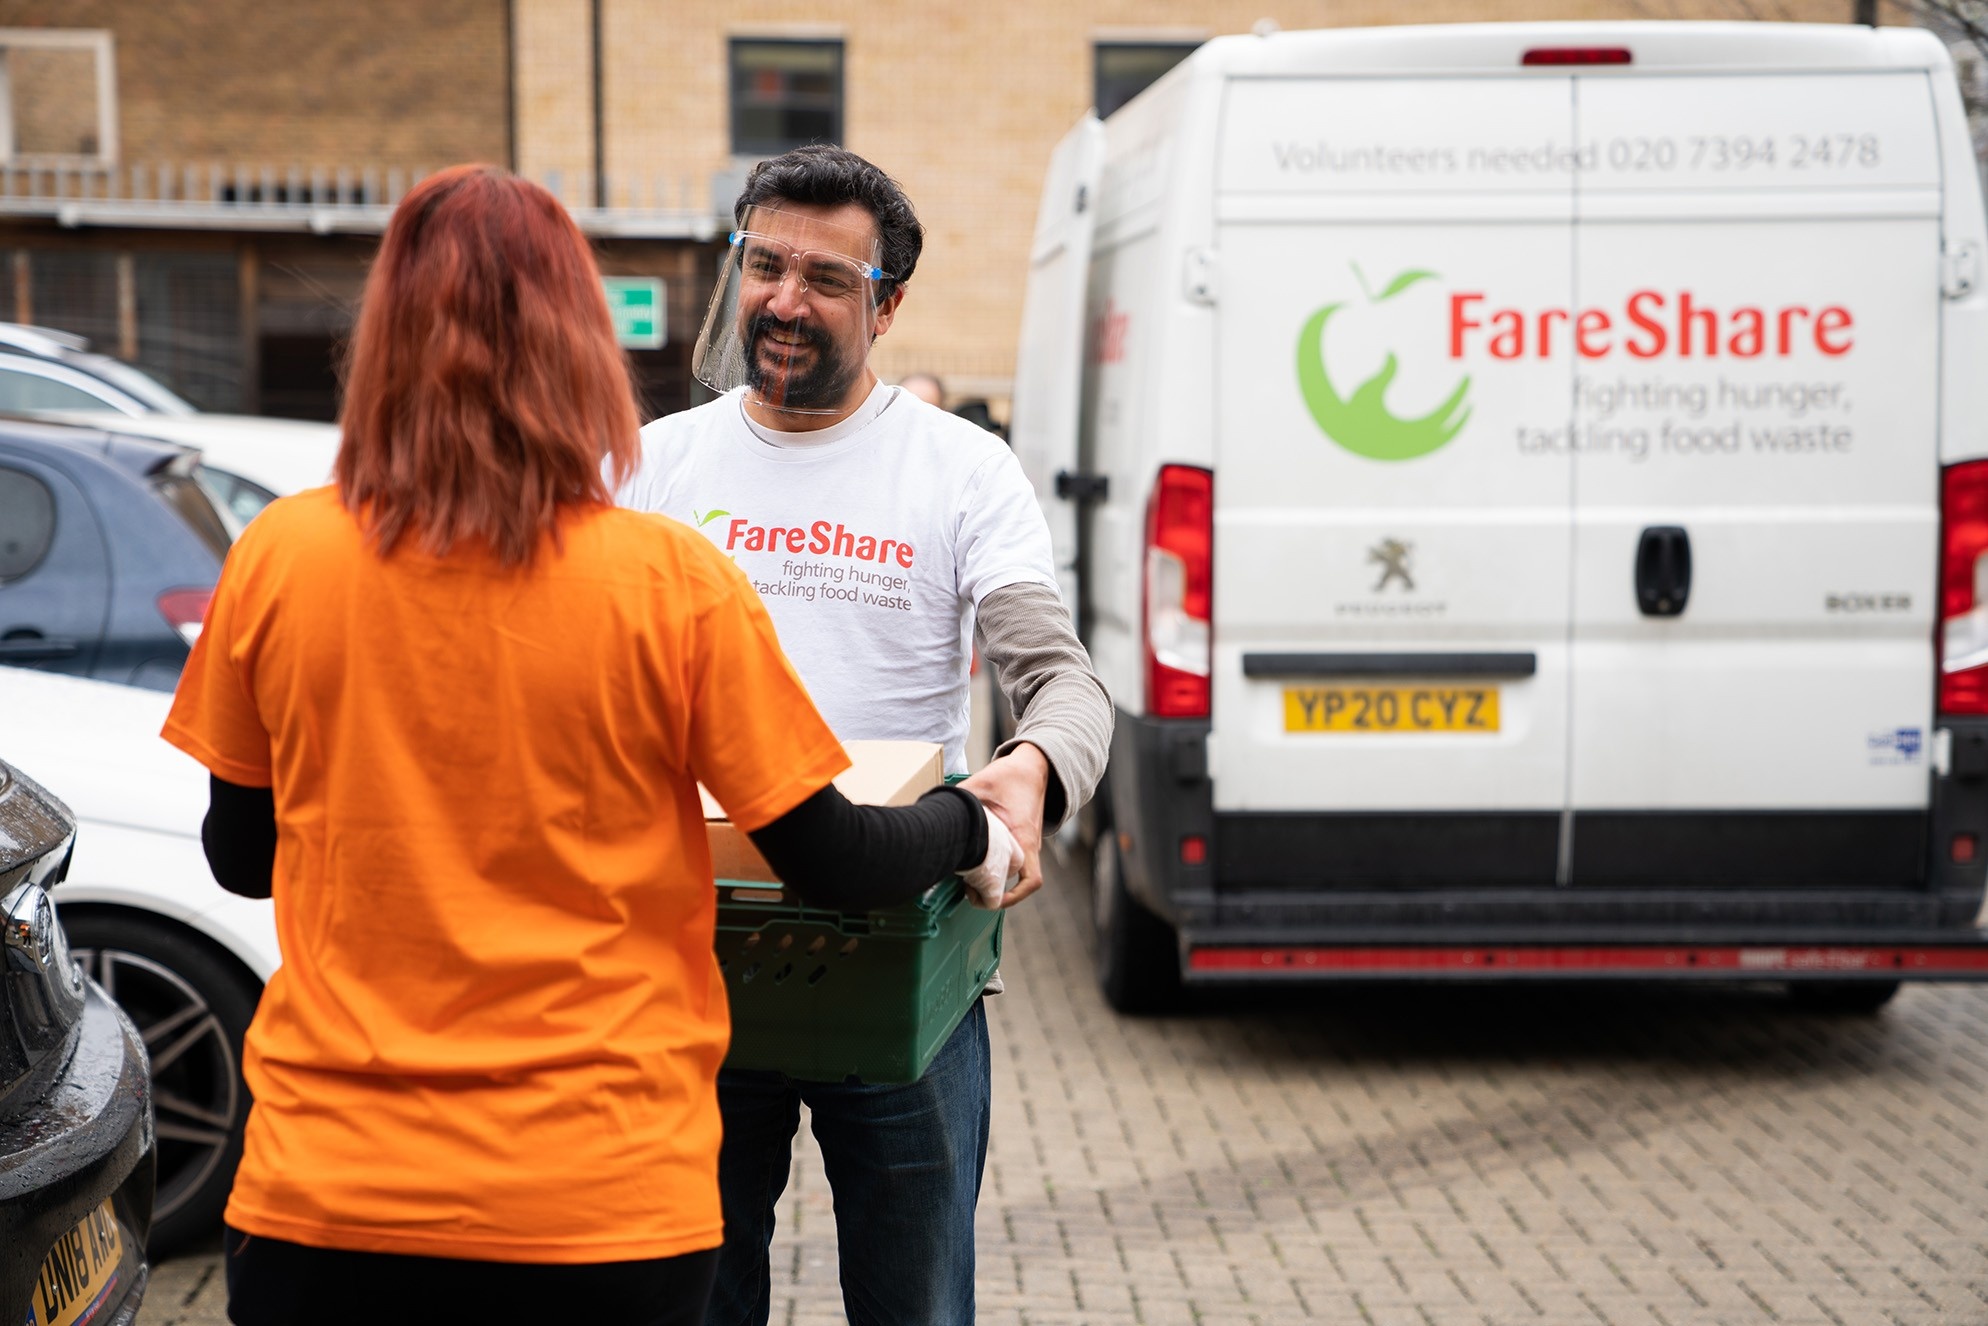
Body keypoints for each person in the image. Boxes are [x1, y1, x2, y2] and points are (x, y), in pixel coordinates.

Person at [159, 165, 1022, 1326]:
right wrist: (969, 822)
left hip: (331, 1188)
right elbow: (829, 855)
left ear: (383, 337)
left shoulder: (279, 555)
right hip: (598, 1194)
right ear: (578, 340)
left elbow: (241, 858)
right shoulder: (667, 581)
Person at [618, 145, 1114, 1326]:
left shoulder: (960, 470)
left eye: (827, 278)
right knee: (694, 1300)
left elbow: (1062, 682)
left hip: (900, 960)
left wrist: (1033, 771)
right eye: (764, 265)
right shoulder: (646, 468)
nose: (784, 300)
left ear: (886, 305)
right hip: (691, 959)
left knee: (915, 1305)